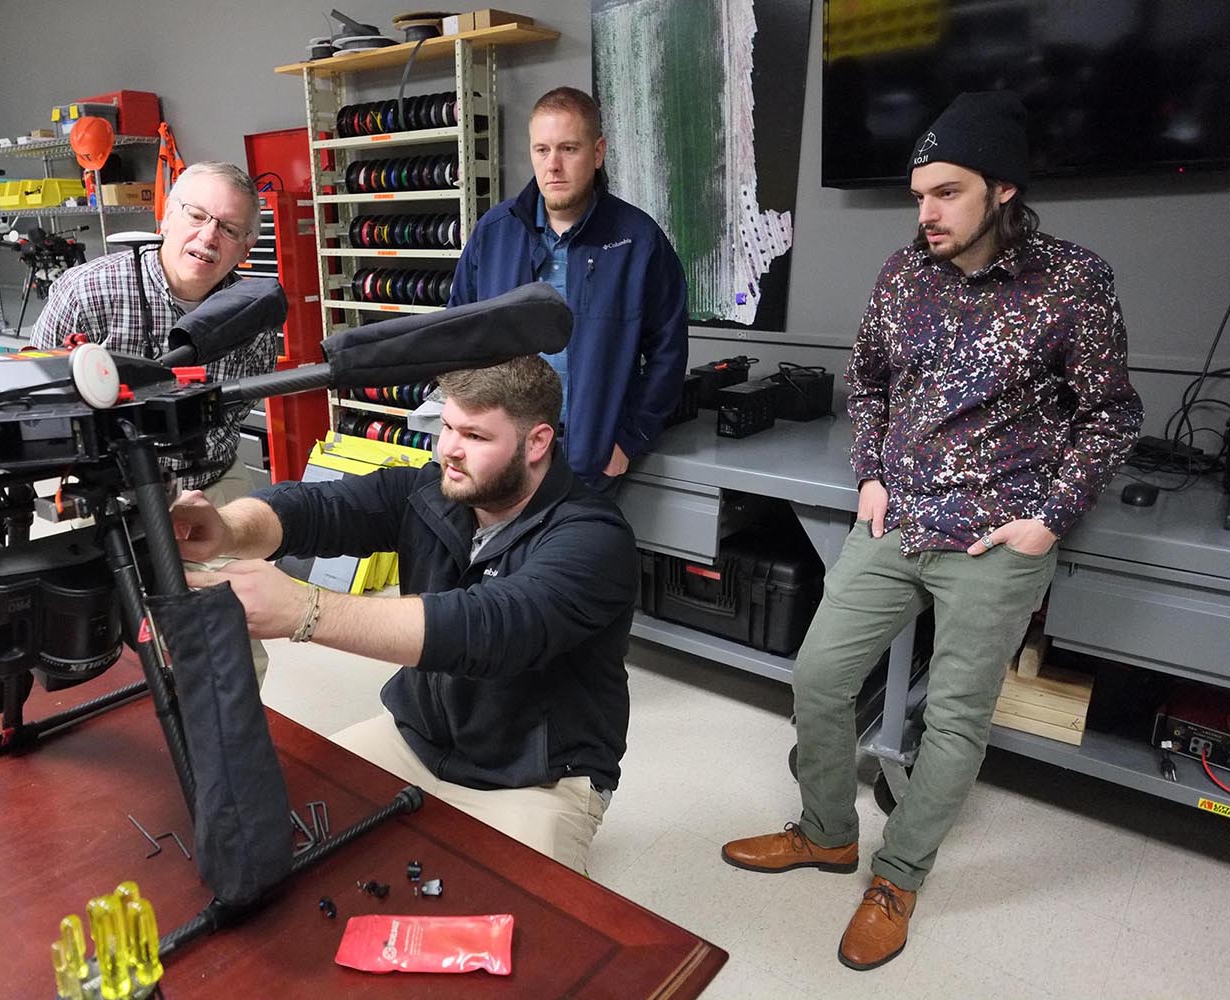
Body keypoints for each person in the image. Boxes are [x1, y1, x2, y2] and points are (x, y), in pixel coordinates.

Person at [720, 92, 1142, 971]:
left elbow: (1110, 416)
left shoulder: (1074, 281)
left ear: (1003, 190)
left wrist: (1047, 520)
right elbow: (866, 382)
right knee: (821, 676)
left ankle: (898, 876)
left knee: (951, 720)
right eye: (920, 196)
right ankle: (828, 833)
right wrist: (869, 472)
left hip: (997, 535)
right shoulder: (904, 271)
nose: (928, 214)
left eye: (946, 193)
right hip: (897, 518)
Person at [170, 355, 638, 873]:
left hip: (535, 778)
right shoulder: (433, 490)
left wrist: (305, 609)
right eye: (447, 427)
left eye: (476, 437)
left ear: (537, 442)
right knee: (279, 832)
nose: (450, 450)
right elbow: (318, 509)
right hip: (413, 742)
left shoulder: (593, 538)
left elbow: (490, 628)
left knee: (525, 930)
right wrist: (228, 527)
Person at [32, 161, 278, 683]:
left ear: (245, 245)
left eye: (229, 229)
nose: (208, 236)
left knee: (231, 650)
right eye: (196, 215)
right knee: (110, 652)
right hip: (108, 495)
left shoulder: (254, 315)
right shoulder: (86, 293)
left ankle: (227, 756)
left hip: (212, 483)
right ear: (165, 218)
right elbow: (38, 396)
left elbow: (234, 410)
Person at [447, 86, 689, 493]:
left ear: (597, 153)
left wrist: (629, 439)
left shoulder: (638, 240)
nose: (553, 165)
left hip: (587, 466)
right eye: (542, 150)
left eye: (569, 149)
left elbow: (668, 351)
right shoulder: (494, 234)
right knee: (496, 559)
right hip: (503, 458)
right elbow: (457, 337)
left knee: (569, 559)